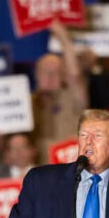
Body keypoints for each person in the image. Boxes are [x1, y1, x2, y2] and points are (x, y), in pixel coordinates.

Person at [31, 21, 89, 162]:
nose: (50, 76)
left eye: (55, 72)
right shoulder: (27, 103)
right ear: (36, 75)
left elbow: (75, 76)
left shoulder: (72, 98)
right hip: (42, 172)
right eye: (45, 72)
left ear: (63, 76)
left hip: (72, 170)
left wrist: (63, 37)